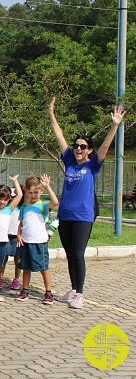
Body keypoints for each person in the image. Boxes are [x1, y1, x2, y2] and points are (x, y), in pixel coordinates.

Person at [49, 98, 125, 309]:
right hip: (64, 215)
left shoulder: (92, 166)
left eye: (83, 147)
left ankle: (80, 294)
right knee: (69, 254)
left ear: (89, 150)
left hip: (83, 216)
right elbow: (60, 137)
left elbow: (106, 146)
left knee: (78, 254)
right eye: (77, 146)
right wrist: (52, 115)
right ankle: (73, 290)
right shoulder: (70, 162)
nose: (78, 149)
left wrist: (115, 125)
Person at [15, 174, 59, 304]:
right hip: (26, 242)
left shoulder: (43, 205)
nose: (33, 195)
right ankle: (25, 290)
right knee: (26, 268)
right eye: (30, 192)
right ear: (26, 192)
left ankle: (48, 292)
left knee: (43, 268)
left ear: (41, 192)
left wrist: (48, 186)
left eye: (36, 192)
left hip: (39, 243)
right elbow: (21, 224)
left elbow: (55, 202)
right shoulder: (24, 207)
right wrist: (18, 235)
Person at [0, 186, 24, 291]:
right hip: (5, 235)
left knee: (17, 259)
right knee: (2, 258)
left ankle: (16, 279)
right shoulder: (7, 208)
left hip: (16, 236)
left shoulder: (22, 208)